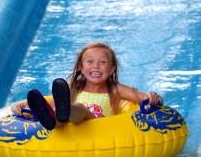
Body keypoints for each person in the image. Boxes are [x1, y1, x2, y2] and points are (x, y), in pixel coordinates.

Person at [12, 42, 163, 130]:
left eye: (102, 62)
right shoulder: (74, 88)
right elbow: (50, 101)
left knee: (78, 109)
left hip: (96, 125)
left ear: (111, 70)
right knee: (59, 111)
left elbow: (144, 99)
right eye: (90, 62)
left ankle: (63, 113)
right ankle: (51, 119)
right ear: (81, 68)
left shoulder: (115, 89)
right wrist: (22, 105)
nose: (96, 66)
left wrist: (152, 98)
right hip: (71, 124)